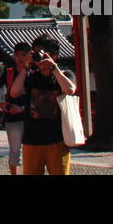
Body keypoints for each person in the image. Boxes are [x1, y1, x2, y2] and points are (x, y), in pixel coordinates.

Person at [20, 36, 77, 175]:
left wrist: (54, 68)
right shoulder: (30, 76)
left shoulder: (64, 74)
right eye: (36, 53)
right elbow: (14, 92)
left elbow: (70, 89)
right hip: (31, 139)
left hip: (57, 139)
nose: (40, 57)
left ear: (54, 55)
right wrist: (25, 67)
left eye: (43, 53)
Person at [0, 42, 32, 174]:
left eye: (23, 55)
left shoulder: (34, 71)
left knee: (32, 149)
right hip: (12, 116)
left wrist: (23, 108)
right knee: (15, 149)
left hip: (32, 115)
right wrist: (0, 104)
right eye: (17, 55)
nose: (20, 58)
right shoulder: (9, 72)